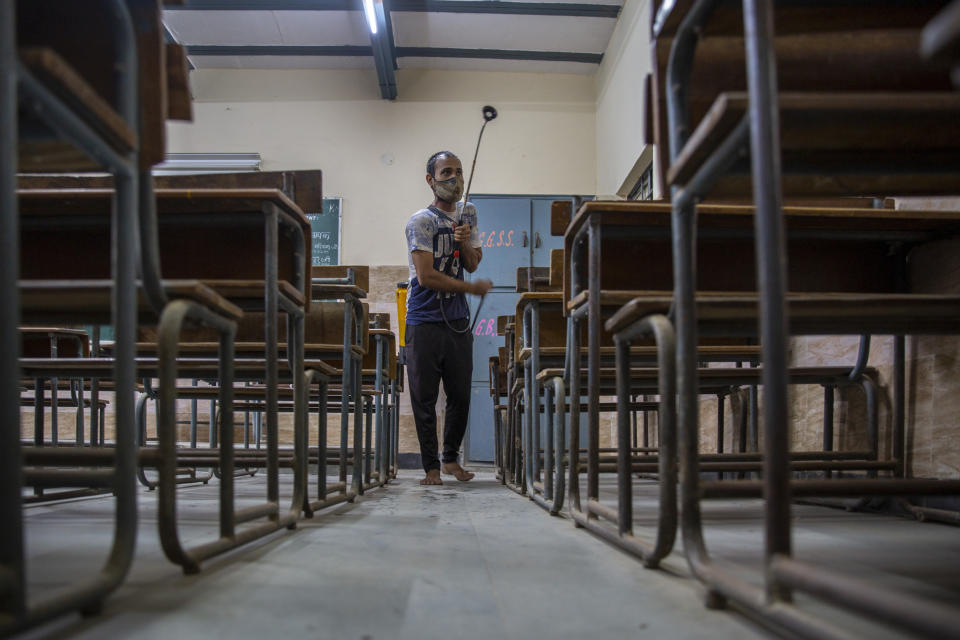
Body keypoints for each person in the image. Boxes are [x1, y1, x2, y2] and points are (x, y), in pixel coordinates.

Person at [404, 151, 493, 486]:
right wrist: (469, 288)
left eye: (457, 171)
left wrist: (463, 242)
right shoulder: (420, 221)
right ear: (431, 180)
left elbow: (472, 262)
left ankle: (451, 460)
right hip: (424, 319)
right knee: (424, 397)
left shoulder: (468, 212)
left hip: (457, 321)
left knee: (460, 394)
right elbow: (426, 276)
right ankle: (430, 468)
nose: (454, 178)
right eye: (446, 172)